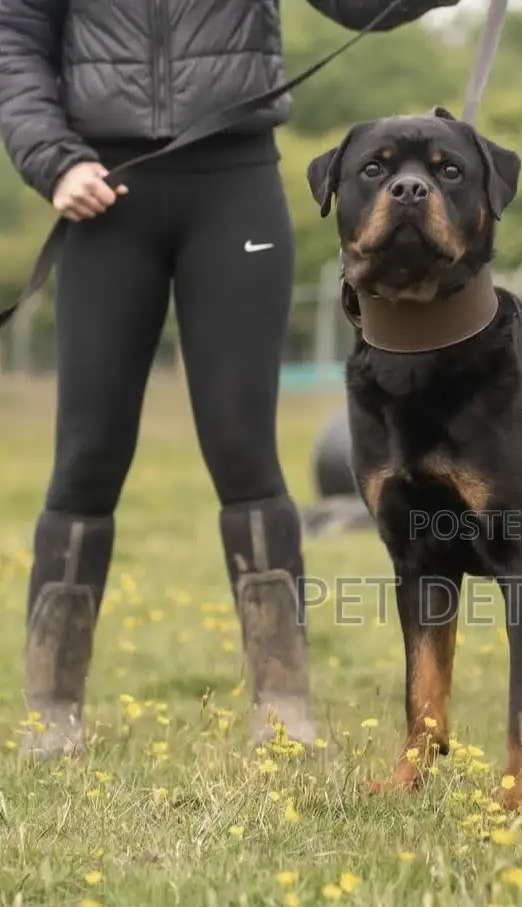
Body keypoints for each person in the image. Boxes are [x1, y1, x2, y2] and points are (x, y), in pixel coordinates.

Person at [0, 0, 458, 758]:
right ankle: (52, 708)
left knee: (244, 449)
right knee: (86, 456)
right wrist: (54, 157)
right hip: (104, 192)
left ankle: (282, 702)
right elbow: (12, 41)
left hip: (234, 180)